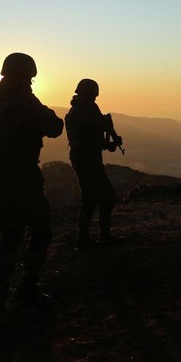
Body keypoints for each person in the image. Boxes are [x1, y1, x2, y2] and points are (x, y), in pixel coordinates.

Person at [0, 52, 64, 312]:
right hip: (23, 176)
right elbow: (55, 127)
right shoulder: (23, 101)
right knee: (41, 231)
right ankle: (27, 288)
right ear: (28, 75)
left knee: (9, 235)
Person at [65, 78, 124, 249]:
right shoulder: (85, 110)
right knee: (105, 196)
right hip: (87, 159)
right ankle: (99, 237)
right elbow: (95, 131)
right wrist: (109, 134)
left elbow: (93, 136)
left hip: (84, 158)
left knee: (90, 198)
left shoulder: (78, 109)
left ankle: (84, 238)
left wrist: (109, 142)